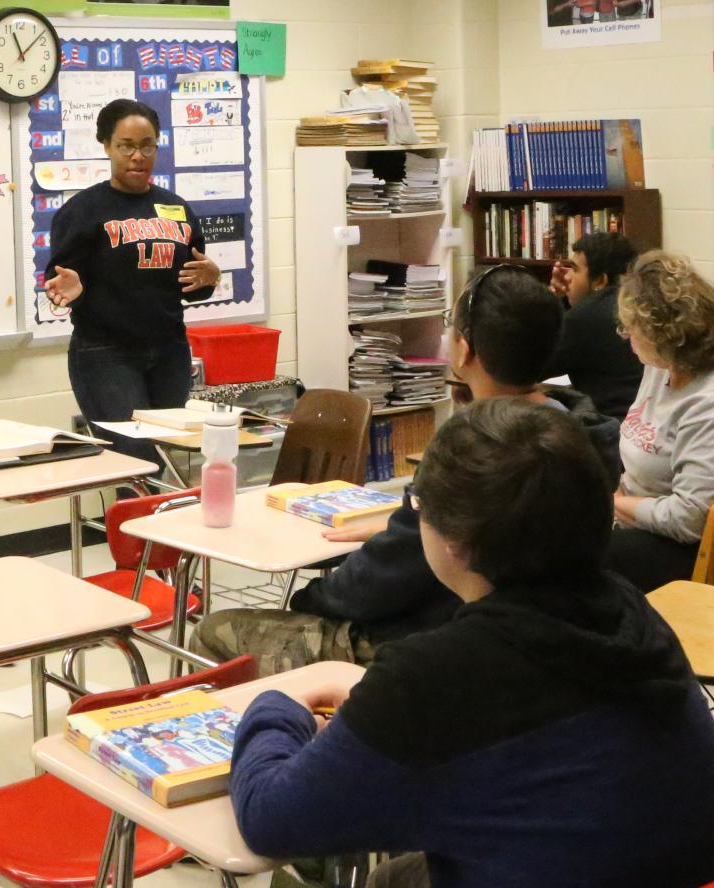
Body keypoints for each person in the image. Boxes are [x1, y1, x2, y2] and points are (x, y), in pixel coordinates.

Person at [180, 399, 714, 888]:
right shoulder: (632, 615)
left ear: (454, 541)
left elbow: (269, 820)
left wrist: (274, 705)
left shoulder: (441, 676)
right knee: (395, 884)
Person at [192, 266, 621, 673]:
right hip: (548, 638)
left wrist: (311, 598)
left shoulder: (471, 451)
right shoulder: (581, 436)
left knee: (213, 633)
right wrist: (399, 523)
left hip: (434, 642)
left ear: (465, 348)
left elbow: (386, 579)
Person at [45, 99, 221, 472]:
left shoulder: (175, 208)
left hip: (169, 351)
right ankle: (138, 529)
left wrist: (210, 278)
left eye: (147, 145)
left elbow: (193, 280)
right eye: (126, 145)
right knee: (135, 461)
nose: (138, 156)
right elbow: (59, 282)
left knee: (164, 452)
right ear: (106, 145)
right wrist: (71, 288)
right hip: (106, 353)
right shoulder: (83, 210)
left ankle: (154, 529)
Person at [606, 252, 714, 592]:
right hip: (649, 525)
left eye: (631, 328)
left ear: (660, 336)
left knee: (571, 565)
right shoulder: (661, 368)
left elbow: (691, 519)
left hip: (702, 553)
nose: (626, 336)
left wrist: (615, 505)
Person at [545, 231, 645, 420]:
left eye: (574, 270)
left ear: (600, 280)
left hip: (608, 429)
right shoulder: (635, 303)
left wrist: (549, 302)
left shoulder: (586, 316)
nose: (567, 278)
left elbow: (528, 368)